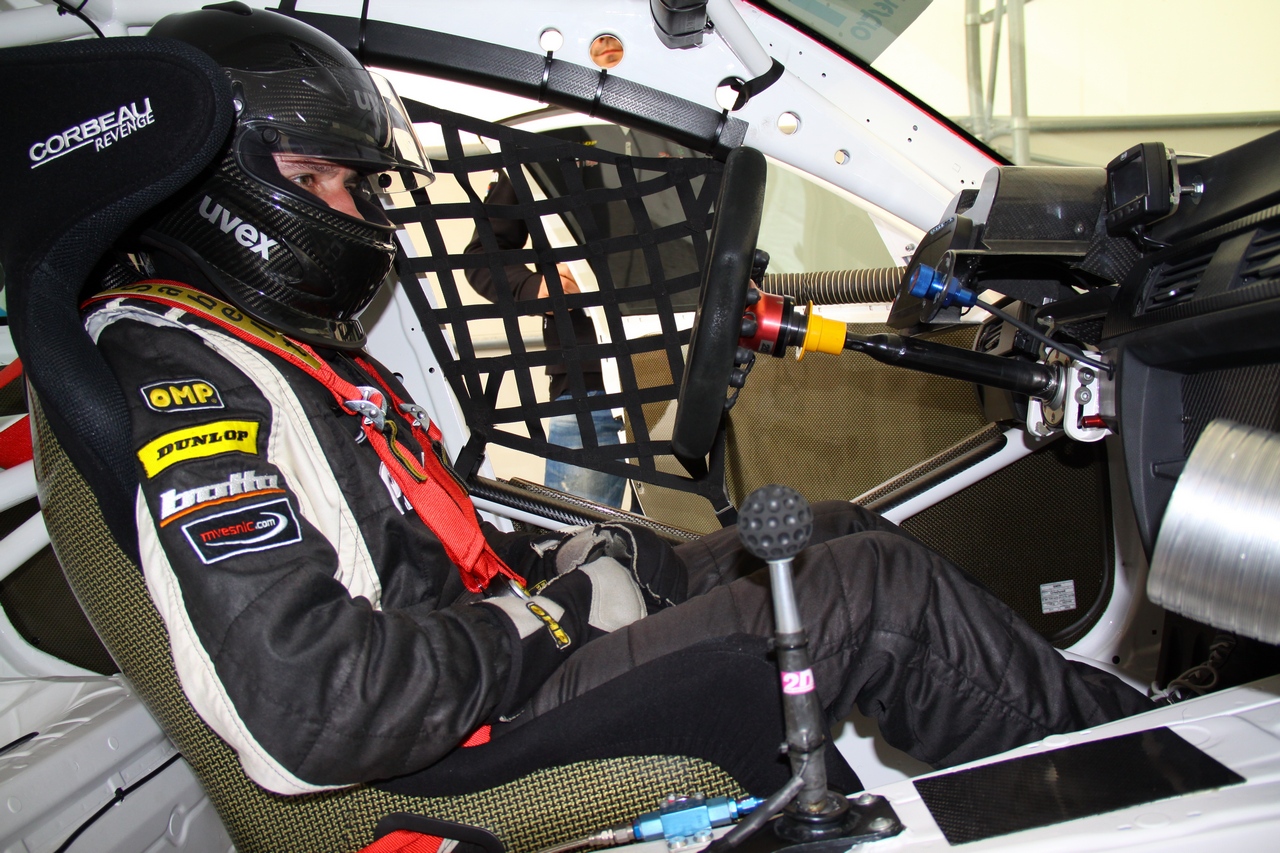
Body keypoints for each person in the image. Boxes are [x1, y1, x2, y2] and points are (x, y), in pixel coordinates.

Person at [87, 5, 1153, 800]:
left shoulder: (280, 354)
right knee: (871, 594)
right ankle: (1146, 776)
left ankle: (1113, 727)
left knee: (832, 531)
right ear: (220, 188)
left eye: (359, 185)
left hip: (483, 671)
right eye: (323, 180)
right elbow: (320, 707)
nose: (358, 213)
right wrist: (548, 615)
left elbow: (426, 549)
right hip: (461, 745)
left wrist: (579, 556)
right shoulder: (190, 380)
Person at [464, 170, 628, 508]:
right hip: (591, 380)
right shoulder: (534, 156)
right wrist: (534, 288)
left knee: (698, 527)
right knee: (578, 529)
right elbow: (483, 253)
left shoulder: (692, 151)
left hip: (697, 366)